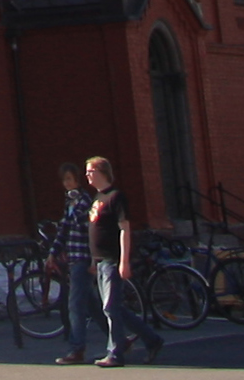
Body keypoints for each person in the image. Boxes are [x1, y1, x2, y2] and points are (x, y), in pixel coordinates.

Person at [83, 153, 162, 367]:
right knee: (113, 307)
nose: (87, 175)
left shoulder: (116, 197)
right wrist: (92, 260)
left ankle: (115, 353)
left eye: (91, 171)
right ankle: (152, 339)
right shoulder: (97, 198)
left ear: (102, 172)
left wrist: (124, 260)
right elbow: (94, 230)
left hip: (111, 259)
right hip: (99, 260)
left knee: (110, 307)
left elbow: (124, 228)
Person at [51, 164, 95, 364]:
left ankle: (76, 349)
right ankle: (132, 339)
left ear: (78, 180)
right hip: (73, 257)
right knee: (95, 306)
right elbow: (64, 229)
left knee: (75, 305)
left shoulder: (85, 200)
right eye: (64, 180)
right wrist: (53, 252)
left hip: (83, 257)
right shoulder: (70, 201)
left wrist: (75, 208)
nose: (67, 184)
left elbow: (85, 226)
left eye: (70, 179)